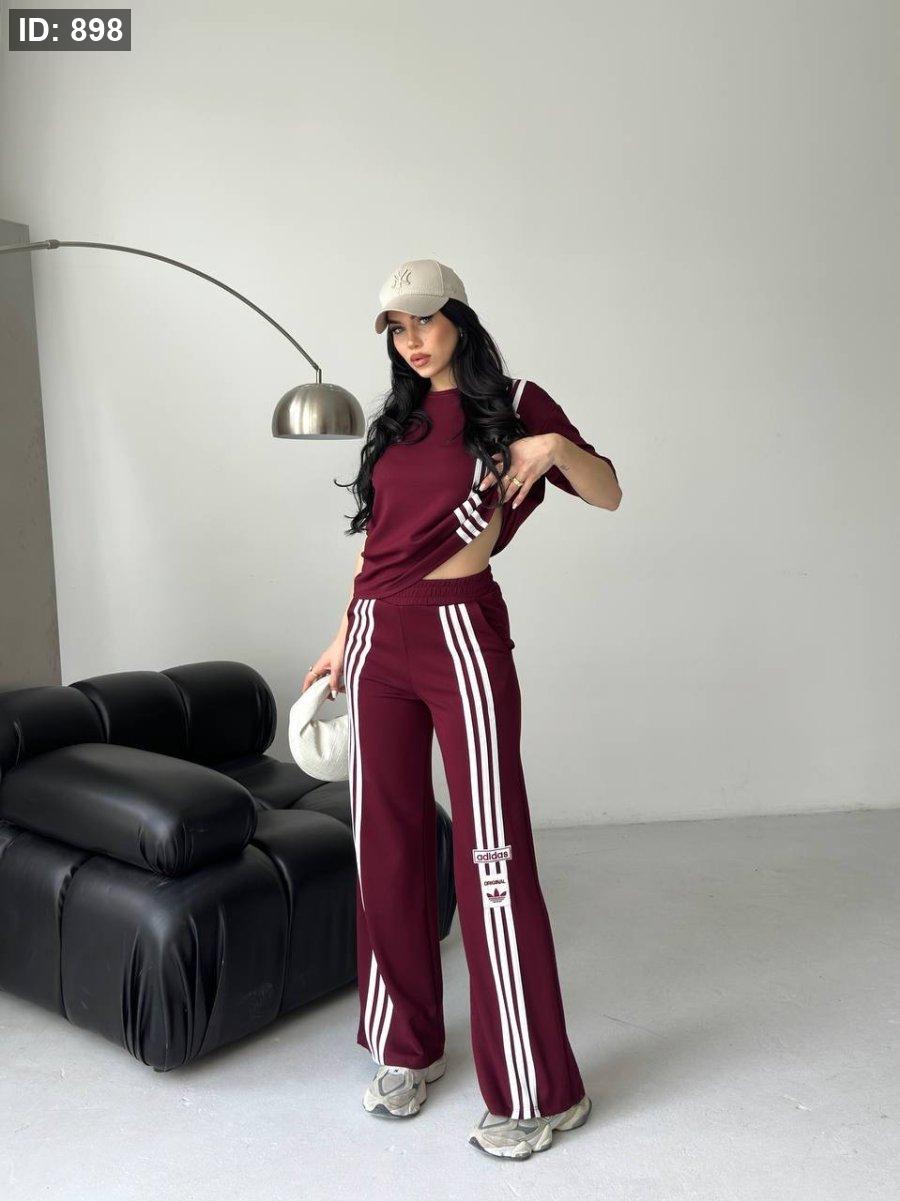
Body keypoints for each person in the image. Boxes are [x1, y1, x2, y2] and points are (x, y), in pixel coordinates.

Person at [302, 259, 621, 1159]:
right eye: (396, 327)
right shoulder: (395, 421)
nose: (411, 339)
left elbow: (609, 490)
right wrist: (343, 632)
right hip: (377, 634)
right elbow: (379, 543)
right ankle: (406, 1045)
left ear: (459, 319)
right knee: (384, 845)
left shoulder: (515, 404)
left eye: (424, 320)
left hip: (460, 634)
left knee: (492, 854)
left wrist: (552, 449)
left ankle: (538, 1088)